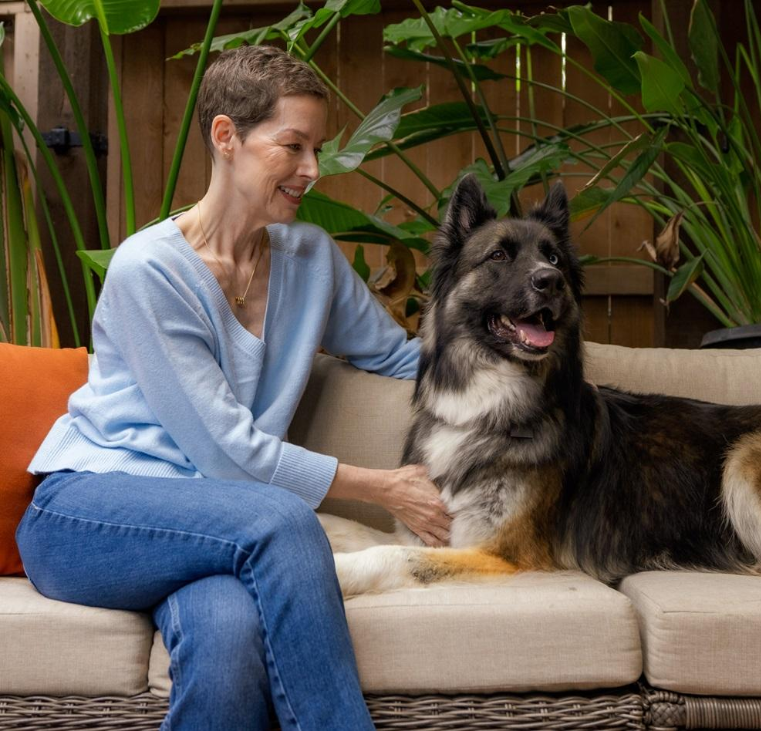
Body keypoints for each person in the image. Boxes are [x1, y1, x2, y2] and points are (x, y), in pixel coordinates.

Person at [16, 44, 451, 731]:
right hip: (89, 513)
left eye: (317, 147)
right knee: (279, 518)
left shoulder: (311, 261)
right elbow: (229, 457)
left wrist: (525, 373)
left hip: (209, 528)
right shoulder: (149, 270)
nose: (312, 169)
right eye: (293, 145)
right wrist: (386, 485)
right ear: (227, 137)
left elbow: (400, 358)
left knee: (228, 638)